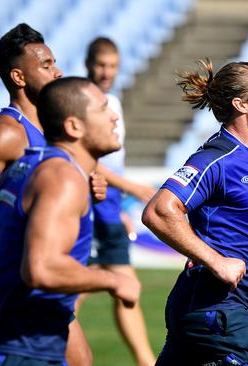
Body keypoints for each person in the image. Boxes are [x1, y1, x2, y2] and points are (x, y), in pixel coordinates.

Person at [0, 76, 140, 365]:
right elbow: (42, 269)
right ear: (73, 126)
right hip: (21, 351)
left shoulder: (27, 165)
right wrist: (114, 281)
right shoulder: (63, 178)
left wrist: (18, 264)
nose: (115, 116)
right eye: (104, 109)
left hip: (9, 343)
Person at [142, 59, 248, 366]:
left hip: (230, 304)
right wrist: (216, 261)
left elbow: (238, 218)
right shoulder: (215, 158)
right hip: (213, 307)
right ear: (241, 104)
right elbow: (158, 211)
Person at [74, 36, 156, 366]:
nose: (107, 72)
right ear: (88, 65)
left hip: (109, 209)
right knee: (73, 292)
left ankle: (146, 361)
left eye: (112, 66)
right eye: (101, 65)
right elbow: (83, 160)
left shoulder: (114, 103)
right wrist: (133, 189)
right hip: (85, 208)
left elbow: (110, 162)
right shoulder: (79, 100)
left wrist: (119, 206)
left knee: (127, 287)